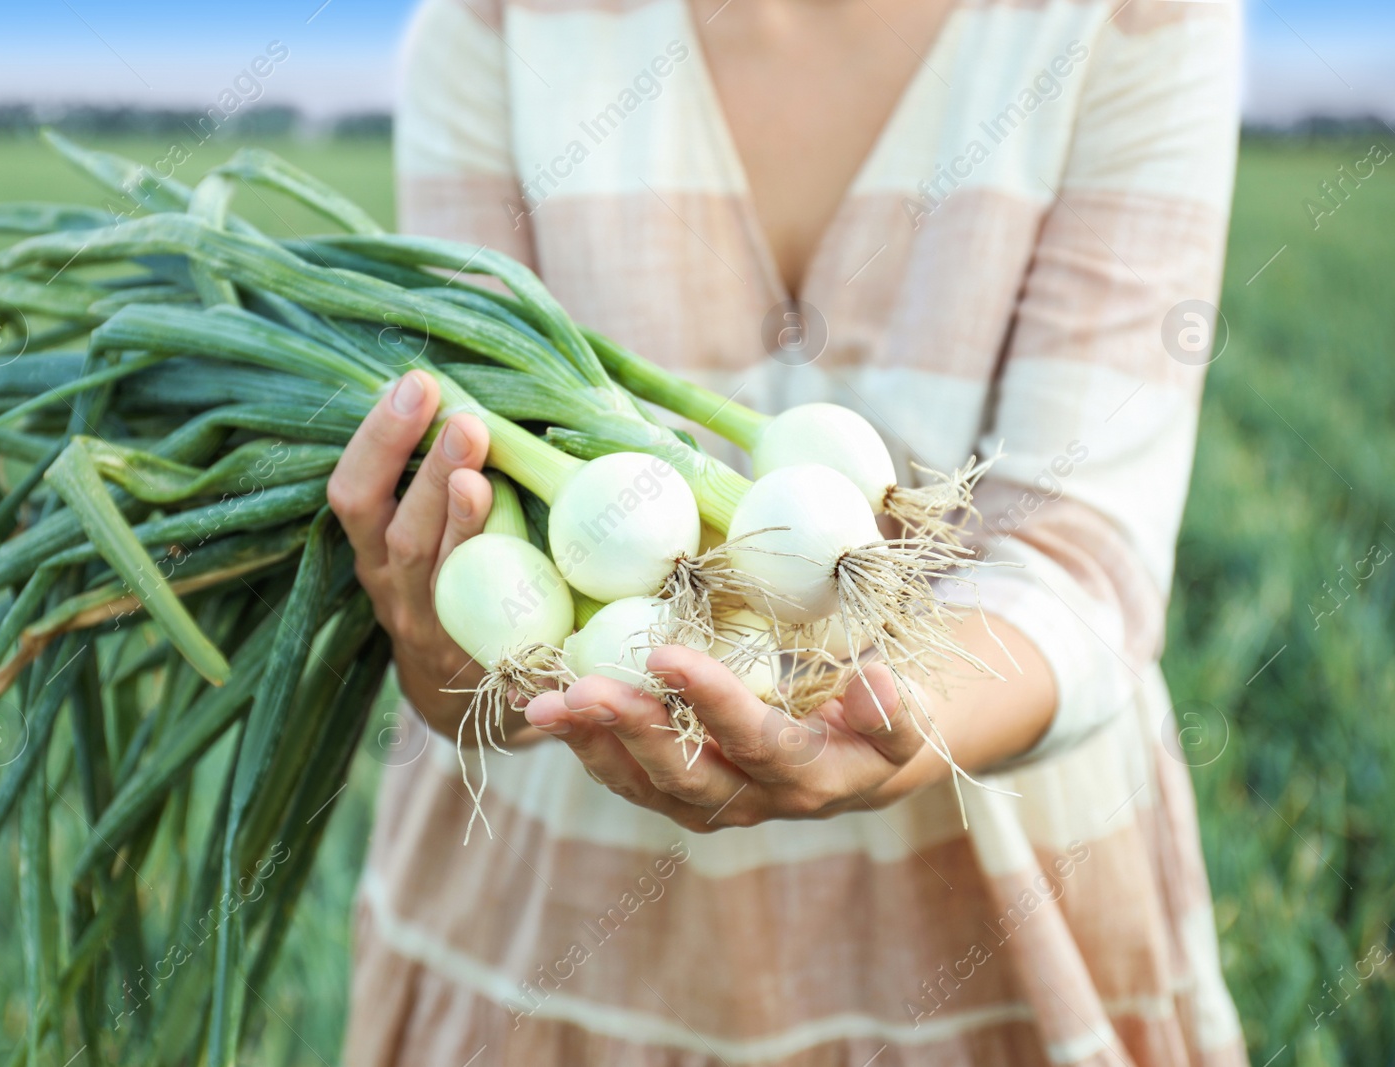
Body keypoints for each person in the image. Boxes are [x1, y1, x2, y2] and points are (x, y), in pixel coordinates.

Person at [328, 0, 1246, 1062]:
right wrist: (441, 646)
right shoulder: (493, 21)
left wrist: (901, 714)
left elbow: (1087, 550)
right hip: (550, 922)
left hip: (1000, 898)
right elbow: (479, 584)